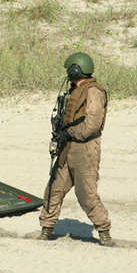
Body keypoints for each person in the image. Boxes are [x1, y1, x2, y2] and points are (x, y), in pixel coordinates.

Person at [39, 52, 113, 247]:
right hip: (68, 146)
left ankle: (104, 230)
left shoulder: (93, 92)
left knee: (86, 193)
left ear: (75, 69)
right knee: (54, 188)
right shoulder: (73, 91)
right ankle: (46, 229)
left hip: (85, 150)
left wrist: (69, 132)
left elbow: (91, 126)